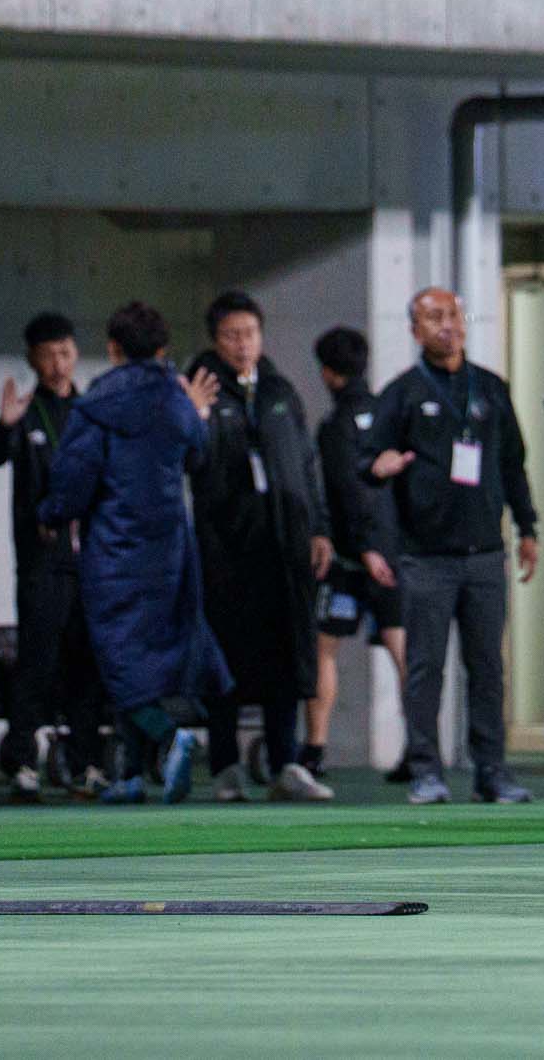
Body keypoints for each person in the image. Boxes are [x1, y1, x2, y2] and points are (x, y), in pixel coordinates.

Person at [39, 297, 230, 801]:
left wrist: (52, 514)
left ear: (113, 348)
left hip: (114, 550)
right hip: (169, 550)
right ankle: (129, 776)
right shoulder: (176, 400)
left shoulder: (98, 403)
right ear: (162, 348)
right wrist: (199, 413)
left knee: (117, 660)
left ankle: (169, 736)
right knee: (147, 660)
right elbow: (199, 456)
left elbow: (75, 475)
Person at [371, 283, 539, 804]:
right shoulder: (401, 394)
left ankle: (492, 771)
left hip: (485, 554)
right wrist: (378, 472)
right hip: (425, 557)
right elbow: (368, 465)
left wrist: (528, 528)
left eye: (453, 315)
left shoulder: (490, 388)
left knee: (488, 668)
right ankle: (426, 770)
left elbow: (513, 464)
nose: (447, 325)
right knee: (424, 669)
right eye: (434, 317)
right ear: (414, 329)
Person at [186, 290, 329, 798]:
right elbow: (185, 460)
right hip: (226, 549)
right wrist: (193, 418)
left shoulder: (279, 390)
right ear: (215, 340)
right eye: (232, 335)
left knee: (286, 655)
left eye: (250, 333)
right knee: (225, 659)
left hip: (283, 546)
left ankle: (285, 763)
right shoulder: (199, 390)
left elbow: (306, 464)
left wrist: (319, 528)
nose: (243, 344)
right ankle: (225, 765)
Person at [0, 310, 103, 797]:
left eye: (65, 353)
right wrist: (3, 425)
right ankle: (22, 763)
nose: (58, 364)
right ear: (32, 359)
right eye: (48, 355)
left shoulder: (92, 412)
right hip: (40, 561)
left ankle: (87, 762)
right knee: (36, 661)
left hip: (90, 560)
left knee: (86, 663)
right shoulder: (26, 411)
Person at [309, 323, 398, 783]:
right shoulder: (389, 415)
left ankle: (314, 749)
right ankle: (422, 749)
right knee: (404, 651)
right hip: (392, 555)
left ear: (328, 372)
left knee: (323, 651)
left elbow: (345, 490)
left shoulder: (335, 426)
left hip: (349, 560)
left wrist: (362, 548)